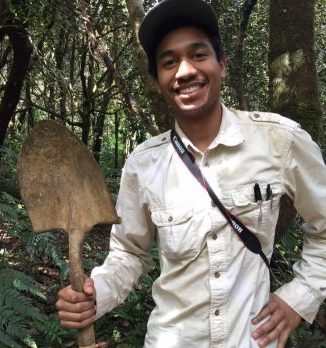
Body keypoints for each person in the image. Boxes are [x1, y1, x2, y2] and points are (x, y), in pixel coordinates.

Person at [56, 0, 326, 347]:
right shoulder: (144, 164)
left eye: (198, 55)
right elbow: (129, 253)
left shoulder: (279, 141)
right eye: (169, 62)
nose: (184, 71)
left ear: (222, 65)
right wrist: (95, 295)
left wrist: (299, 297)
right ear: (157, 81)